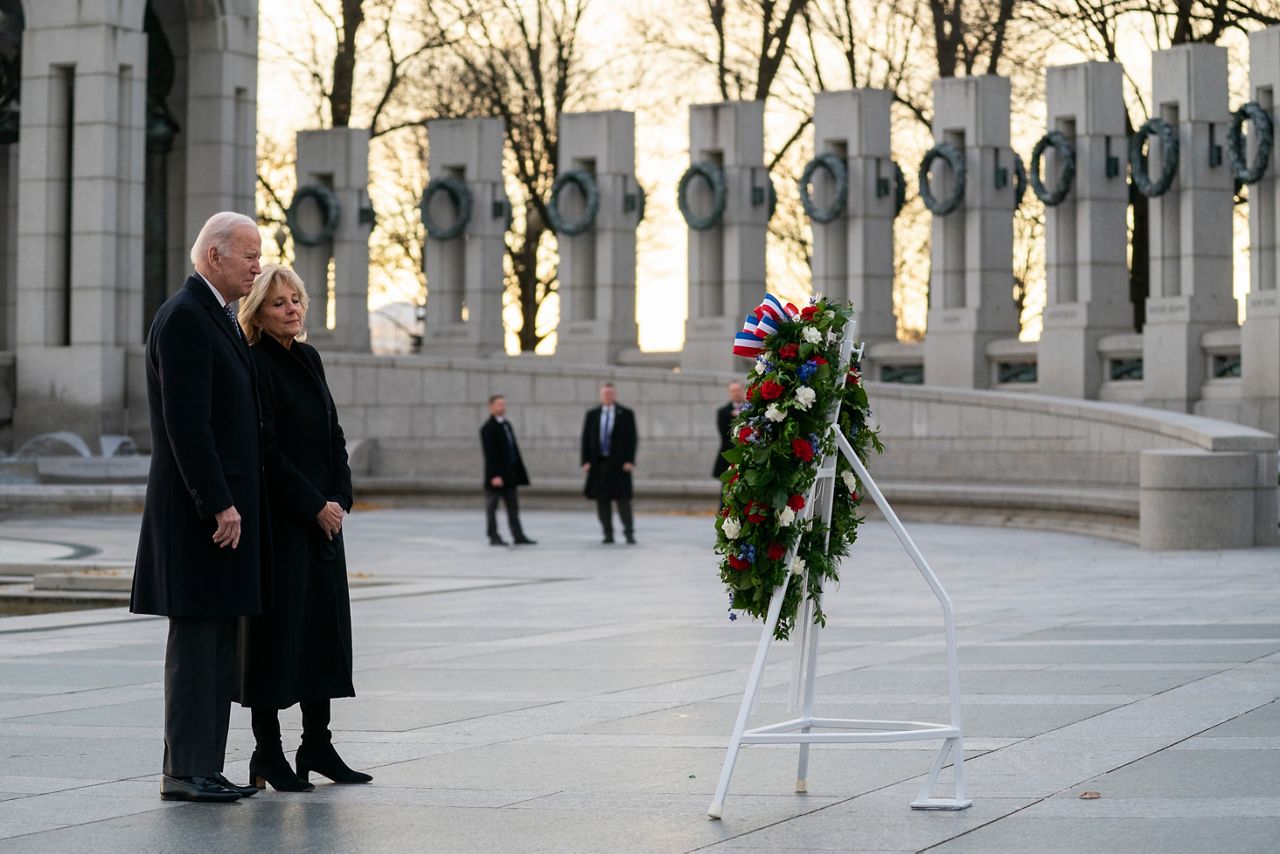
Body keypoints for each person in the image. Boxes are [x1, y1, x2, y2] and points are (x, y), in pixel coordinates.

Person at [130, 212, 266, 803]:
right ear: (214, 256)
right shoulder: (186, 317)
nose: (257, 267)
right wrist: (218, 503)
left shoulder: (215, 316)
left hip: (218, 513)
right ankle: (185, 771)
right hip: (200, 517)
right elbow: (188, 427)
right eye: (249, 256)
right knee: (196, 645)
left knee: (216, 644)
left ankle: (204, 767)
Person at [233, 265, 372, 792]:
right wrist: (315, 504)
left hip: (323, 523)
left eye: (296, 299)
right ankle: (267, 753)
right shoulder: (254, 363)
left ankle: (317, 744)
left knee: (323, 633)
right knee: (275, 638)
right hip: (282, 524)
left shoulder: (309, 358)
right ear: (258, 314)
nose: (292, 309)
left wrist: (339, 499)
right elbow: (266, 450)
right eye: (279, 303)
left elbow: (334, 435)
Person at [580, 382, 638, 544]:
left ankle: (629, 533)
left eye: (610, 393)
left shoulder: (626, 414)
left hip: (619, 465)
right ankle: (608, 533)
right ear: (601, 395)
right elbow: (585, 438)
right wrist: (585, 461)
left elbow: (632, 439)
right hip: (598, 464)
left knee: (623, 500)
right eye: (605, 394)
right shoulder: (592, 414)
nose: (608, 396)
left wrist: (630, 460)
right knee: (602, 500)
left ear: (615, 395)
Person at [480, 395, 535, 546]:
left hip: (510, 475)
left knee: (513, 507)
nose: (502, 407)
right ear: (491, 407)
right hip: (496, 476)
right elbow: (489, 454)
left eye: (503, 404)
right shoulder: (487, 428)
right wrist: (494, 475)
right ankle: (493, 535)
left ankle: (518, 535)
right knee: (492, 506)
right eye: (499, 405)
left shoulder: (507, 425)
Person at [713, 381, 747, 480]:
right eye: (733, 391)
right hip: (728, 453)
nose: (736, 393)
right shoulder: (723, 412)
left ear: (742, 391)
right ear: (729, 393)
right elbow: (724, 433)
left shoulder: (752, 408)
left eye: (738, 390)